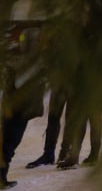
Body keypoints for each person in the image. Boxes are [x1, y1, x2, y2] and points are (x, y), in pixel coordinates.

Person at [2, 24, 45, 189]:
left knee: (7, 144)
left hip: (13, 109)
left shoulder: (19, 60)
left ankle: (2, 176)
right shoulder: (30, 63)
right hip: (18, 110)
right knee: (9, 145)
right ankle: (1, 178)